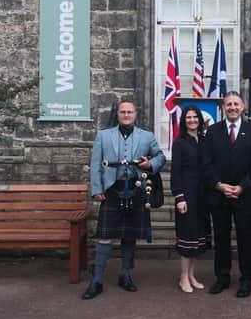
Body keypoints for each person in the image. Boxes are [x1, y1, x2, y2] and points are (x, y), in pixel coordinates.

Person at [82, 99, 166, 300]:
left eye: (129, 112)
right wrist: (96, 189)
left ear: (135, 114)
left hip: (136, 189)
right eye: (122, 112)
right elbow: (95, 165)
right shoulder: (103, 136)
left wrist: (149, 164)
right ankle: (97, 280)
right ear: (118, 114)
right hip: (112, 189)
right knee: (105, 236)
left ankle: (125, 275)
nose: (126, 115)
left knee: (129, 235)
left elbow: (161, 157)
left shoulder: (146, 136)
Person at [202, 91, 251, 298]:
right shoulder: (212, 132)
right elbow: (207, 163)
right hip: (219, 195)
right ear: (222, 108)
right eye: (228, 104)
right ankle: (222, 277)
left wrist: (242, 186)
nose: (232, 108)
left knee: (246, 238)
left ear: (243, 106)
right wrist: (219, 185)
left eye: (236, 104)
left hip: (243, 195)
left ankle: (247, 279)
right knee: (221, 238)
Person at [171, 105, 210, 293]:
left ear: (199, 120)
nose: (192, 120)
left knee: (197, 239)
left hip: (202, 196)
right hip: (186, 195)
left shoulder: (204, 140)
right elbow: (175, 172)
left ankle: (192, 275)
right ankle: (183, 277)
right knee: (187, 238)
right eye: (188, 117)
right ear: (184, 120)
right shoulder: (179, 143)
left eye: (195, 117)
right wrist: (179, 197)